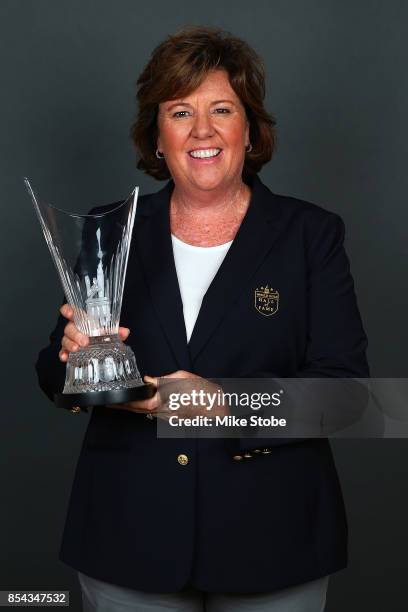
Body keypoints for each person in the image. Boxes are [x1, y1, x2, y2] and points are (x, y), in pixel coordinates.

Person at [36, 26, 369, 612]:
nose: (202, 131)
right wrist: (69, 359)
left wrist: (223, 404)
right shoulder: (109, 227)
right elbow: (53, 375)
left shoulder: (311, 235)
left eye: (222, 108)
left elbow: (348, 397)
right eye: (179, 111)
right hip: (127, 535)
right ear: (157, 137)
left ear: (250, 128)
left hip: (273, 540)